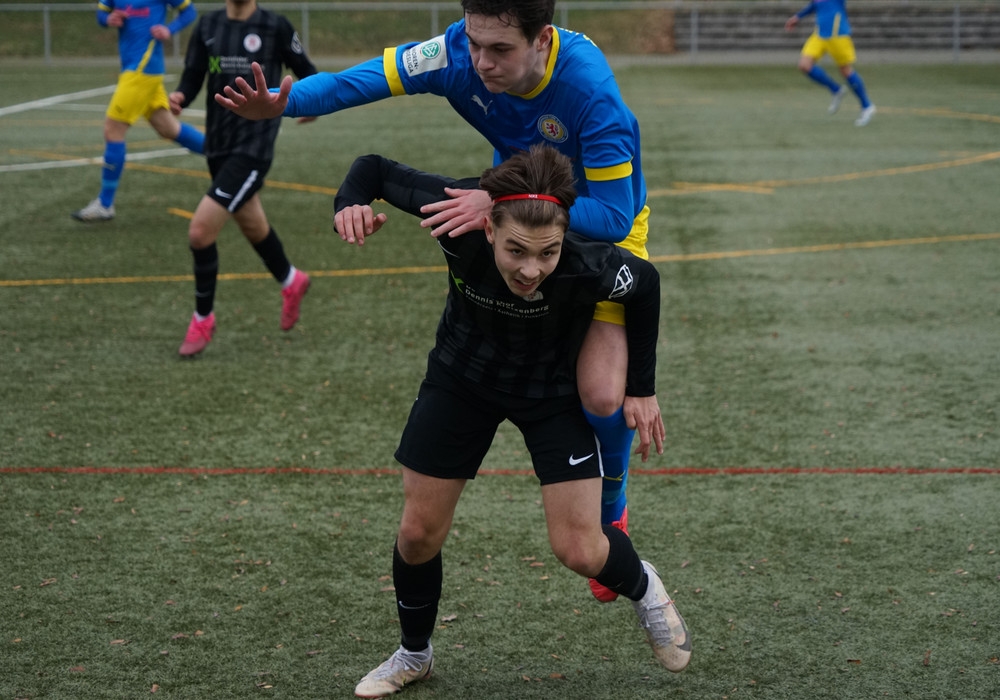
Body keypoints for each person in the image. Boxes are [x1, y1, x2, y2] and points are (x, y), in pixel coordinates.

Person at [215, 0, 647, 601]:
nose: (481, 62)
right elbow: (359, 80)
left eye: (500, 50)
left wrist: (500, 201)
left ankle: (612, 504)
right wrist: (283, 103)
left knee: (601, 393)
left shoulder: (590, 93)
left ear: (543, 41)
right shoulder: (455, 54)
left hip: (597, 219)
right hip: (515, 205)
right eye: (474, 42)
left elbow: (615, 214)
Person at [333, 144, 690, 697]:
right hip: (461, 380)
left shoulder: (589, 262)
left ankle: (644, 586)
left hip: (550, 392)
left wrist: (642, 388)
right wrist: (349, 205)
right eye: (516, 250)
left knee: (580, 549)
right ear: (488, 225)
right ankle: (413, 654)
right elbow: (373, 170)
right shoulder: (456, 219)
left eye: (547, 253)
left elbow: (645, 285)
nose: (531, 269)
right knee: (418, 533)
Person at [167, 0, 316, 357]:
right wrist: (181, 96)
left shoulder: (275, 26)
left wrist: (311, 102)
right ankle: (291, 280)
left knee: (200, 232)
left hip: (254, 148)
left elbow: (307, 72)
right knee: (252, 224)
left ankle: (203, 319)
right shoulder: (207, 26)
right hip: (218, 145)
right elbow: (193, 74)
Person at [72, 0, 205, 222]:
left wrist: (169, 29)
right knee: (169, 129)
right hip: (135, 69)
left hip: (142, 70)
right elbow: (101, 15)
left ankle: (105, 204)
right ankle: (228, 155)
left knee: (113, 130)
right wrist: (109, 19)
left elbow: (188, 12)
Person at [784, 0, 876, 127]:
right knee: (804, 65)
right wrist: (797, 17)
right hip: (819, 34)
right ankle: (836, 90)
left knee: (845, 70)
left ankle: (867, 106)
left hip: (838, 35)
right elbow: (815, 5)